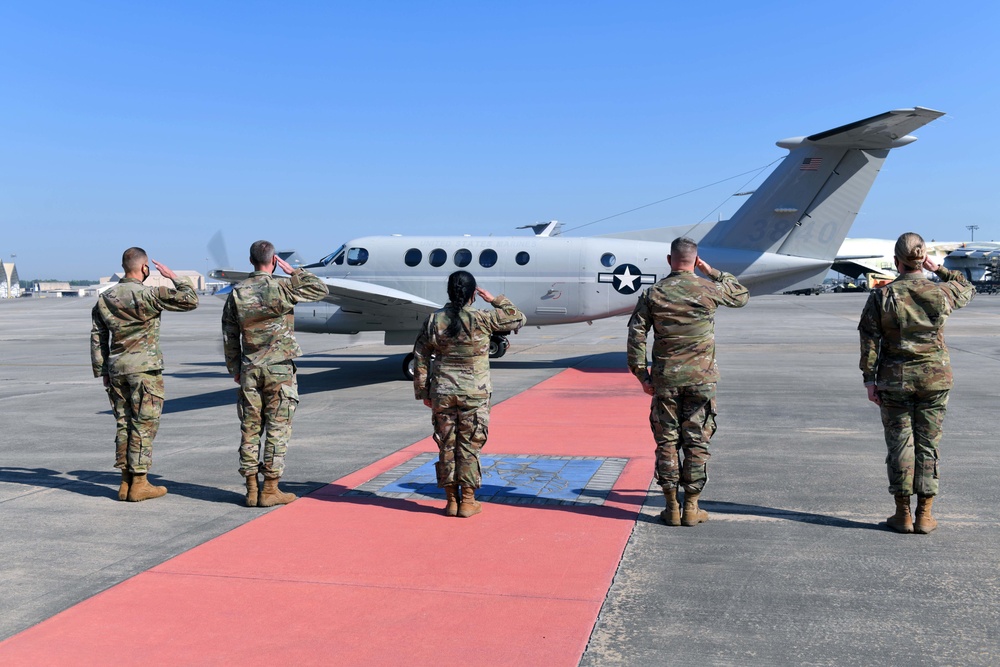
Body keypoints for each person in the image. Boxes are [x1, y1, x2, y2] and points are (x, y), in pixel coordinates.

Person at [627, 237, 749, 526]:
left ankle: (671, 507)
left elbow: (637, 335)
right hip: (702, 379)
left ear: (669, 260)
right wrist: (712, 272)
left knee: (667, 440)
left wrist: (641, 374)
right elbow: (741, 295)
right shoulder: (710, 288)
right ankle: (692, 507)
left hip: (666, 379)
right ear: (695, 261)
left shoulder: (654, 293)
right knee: (697, 441)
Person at [859, 232, 974, 534]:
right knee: (928, 445)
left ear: (896, 262)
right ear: (922, 260)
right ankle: (925, 514)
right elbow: (966, 287)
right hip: (935, 380)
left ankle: (902, 514)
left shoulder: (881, 296)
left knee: (900, 445)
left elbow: (869, 339)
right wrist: (940, 270)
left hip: (894, 382)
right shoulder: (941, 292)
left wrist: (869, 379)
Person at [222, 241, 329, 507]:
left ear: (250, 260)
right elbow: (321, 289)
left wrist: (235, 368)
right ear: (273, 261)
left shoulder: (237, 292)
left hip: (250, 368)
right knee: (278, 428)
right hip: (279, 368)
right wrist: (294, 272)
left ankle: (250, 489)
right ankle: (270, 488)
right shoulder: (283, 287)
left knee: (250, 429)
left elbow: (229, 335)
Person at [412, 271, 526, 518]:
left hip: (442, 391)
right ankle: (468, 501)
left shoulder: (434, 319)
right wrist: (495, 299)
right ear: (474, 293)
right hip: (474, 392)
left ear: (449, 292)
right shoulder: (484, 318)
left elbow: (421, 354)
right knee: (470, 445)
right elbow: (517, 318)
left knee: (447, 444)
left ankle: (451, 501)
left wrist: (423, 390)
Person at [91, 247, 199, 501]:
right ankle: (140, 482)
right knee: (144, 424)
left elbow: (98, 337)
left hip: (117, 369)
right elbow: (190, 299)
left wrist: (103, 370)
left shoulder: (105, 298)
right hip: (145, 371)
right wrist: (174, 276)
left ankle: (125, 482)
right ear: (144, 268)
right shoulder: (150, 294)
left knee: (123, 423)